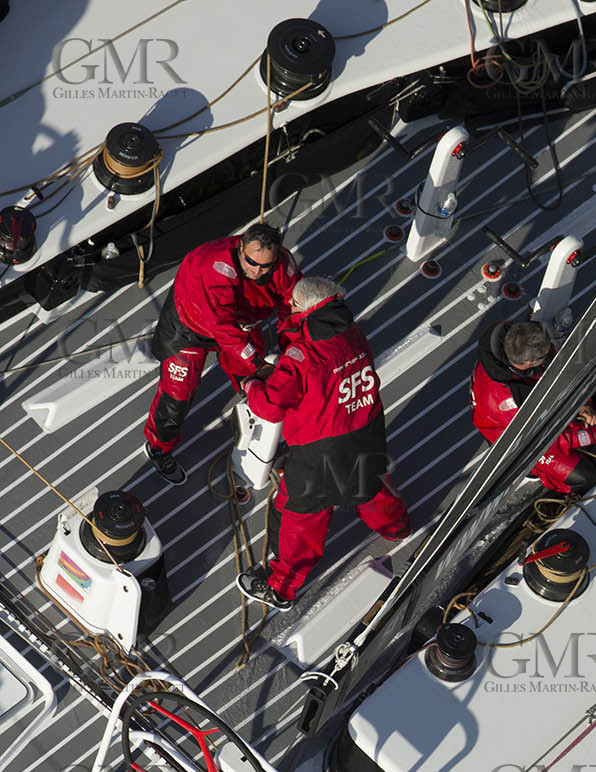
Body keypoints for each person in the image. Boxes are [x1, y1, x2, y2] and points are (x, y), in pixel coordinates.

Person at [235, 277, 410, 612]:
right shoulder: (351, 331)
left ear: (305, 308)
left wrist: (252, 385)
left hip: (320, 453)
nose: (290, 309)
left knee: (303, 524)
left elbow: (271, 405)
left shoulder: (303, 354)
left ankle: (280, 590)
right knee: (369, 487)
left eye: (294, 306)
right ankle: (397, 527)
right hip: (366, 431)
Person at [142, 222, 300, 484]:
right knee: (177, 394)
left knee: (259, 380)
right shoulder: (215, 269)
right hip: (189, 330)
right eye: (251, 262)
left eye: (265, 266)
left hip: (241, 326)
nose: (257, 271)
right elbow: (223, 328)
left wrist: (293, 346)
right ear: (240, 249)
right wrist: (256, 362)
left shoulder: (284, 264)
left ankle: (261, 425)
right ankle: (159, 447)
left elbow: (292, 305)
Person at [470, 319, 596, 494]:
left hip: (536, 408)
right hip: (523, 438)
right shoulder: (508, 403)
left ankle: (581, 431)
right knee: (587, 476)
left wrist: (583, 406)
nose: (551, 350)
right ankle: (537, 471)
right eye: (544, 356)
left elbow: (561, 374)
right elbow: (548, 440)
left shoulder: (517, 341)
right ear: (529, 363)